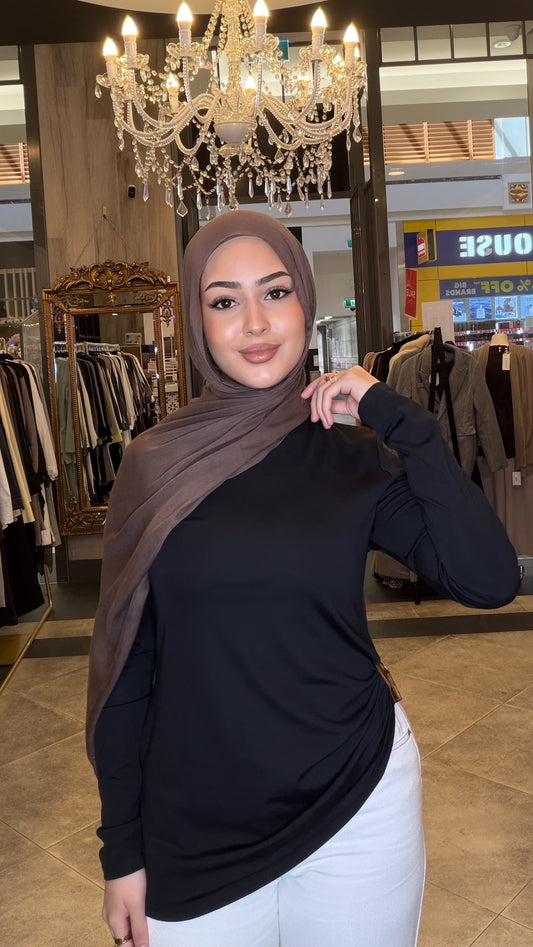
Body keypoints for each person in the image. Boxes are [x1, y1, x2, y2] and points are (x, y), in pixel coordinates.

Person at [86, 211, 520, 947]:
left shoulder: (350, 455)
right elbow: (126, 668)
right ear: (196, 320)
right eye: (224, 300)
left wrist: (396, 416)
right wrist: (121, 852)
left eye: (276, 292)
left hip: (357, 803)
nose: (255, 322)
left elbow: (488, 579)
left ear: (305, 304)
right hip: (196, 823)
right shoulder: (154, 465)